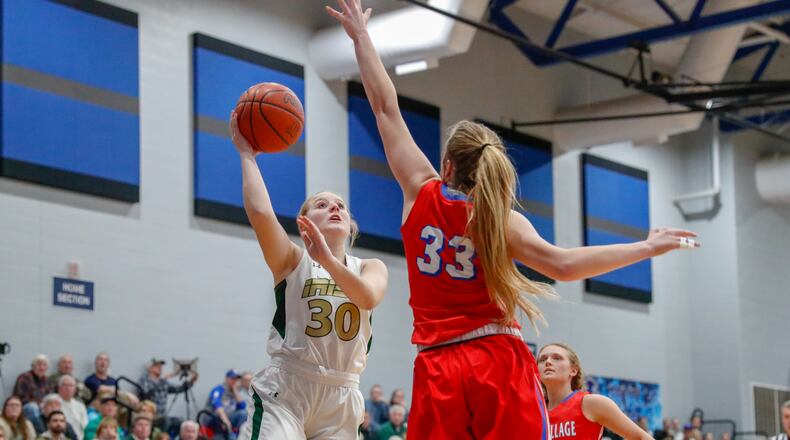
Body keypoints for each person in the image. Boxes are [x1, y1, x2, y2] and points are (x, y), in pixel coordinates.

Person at [328, 1, 699, 437]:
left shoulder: (420, 190)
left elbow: (384, 108)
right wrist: (647, 246)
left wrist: (362, 39)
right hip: (496, 357)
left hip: (437, 363)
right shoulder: (503, 221)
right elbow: (564, 264)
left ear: (446, 166)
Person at [228, 105, 388, 440]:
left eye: (341, 205)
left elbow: (368, 296)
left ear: (350, 226)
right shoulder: (292, 261)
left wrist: (329, 260)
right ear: (304, 223)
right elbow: (259, 212)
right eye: (322, 204)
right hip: (287, 388)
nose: (334, 207)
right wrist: (246, 153)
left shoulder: (371, 267)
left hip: (342, 394)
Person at [538, 343, 653, 440]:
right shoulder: (535, 413)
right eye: (542, 359)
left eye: (557, 358)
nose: (548, 362)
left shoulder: (590, 403)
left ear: (573, 370)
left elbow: (641, 437)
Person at [13, 355, 53, 422]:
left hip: (43, 407)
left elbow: (50, 397)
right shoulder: (24, 377)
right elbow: (22, 398)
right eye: (39, 364)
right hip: (26, 407)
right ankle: (39, 431)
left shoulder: (48, 380)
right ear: (33, 366)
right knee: (33, 407)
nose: (42, 367)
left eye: (44, 365)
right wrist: (40, 404)